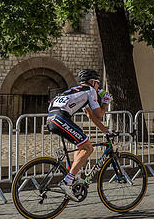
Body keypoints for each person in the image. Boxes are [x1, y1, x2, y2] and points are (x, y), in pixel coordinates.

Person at [46, 69, 111, 200]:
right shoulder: (90, 90)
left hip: (51, 118)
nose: (98, 87)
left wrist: (105, 130)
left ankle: (73, 176)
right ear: (92, 82)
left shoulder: (76, 91)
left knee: (82, 145)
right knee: (88, 148)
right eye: (98, 83)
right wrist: (105, 102)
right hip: (61, 117)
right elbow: (99, 114)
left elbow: (90, 116)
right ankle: (67, 181)